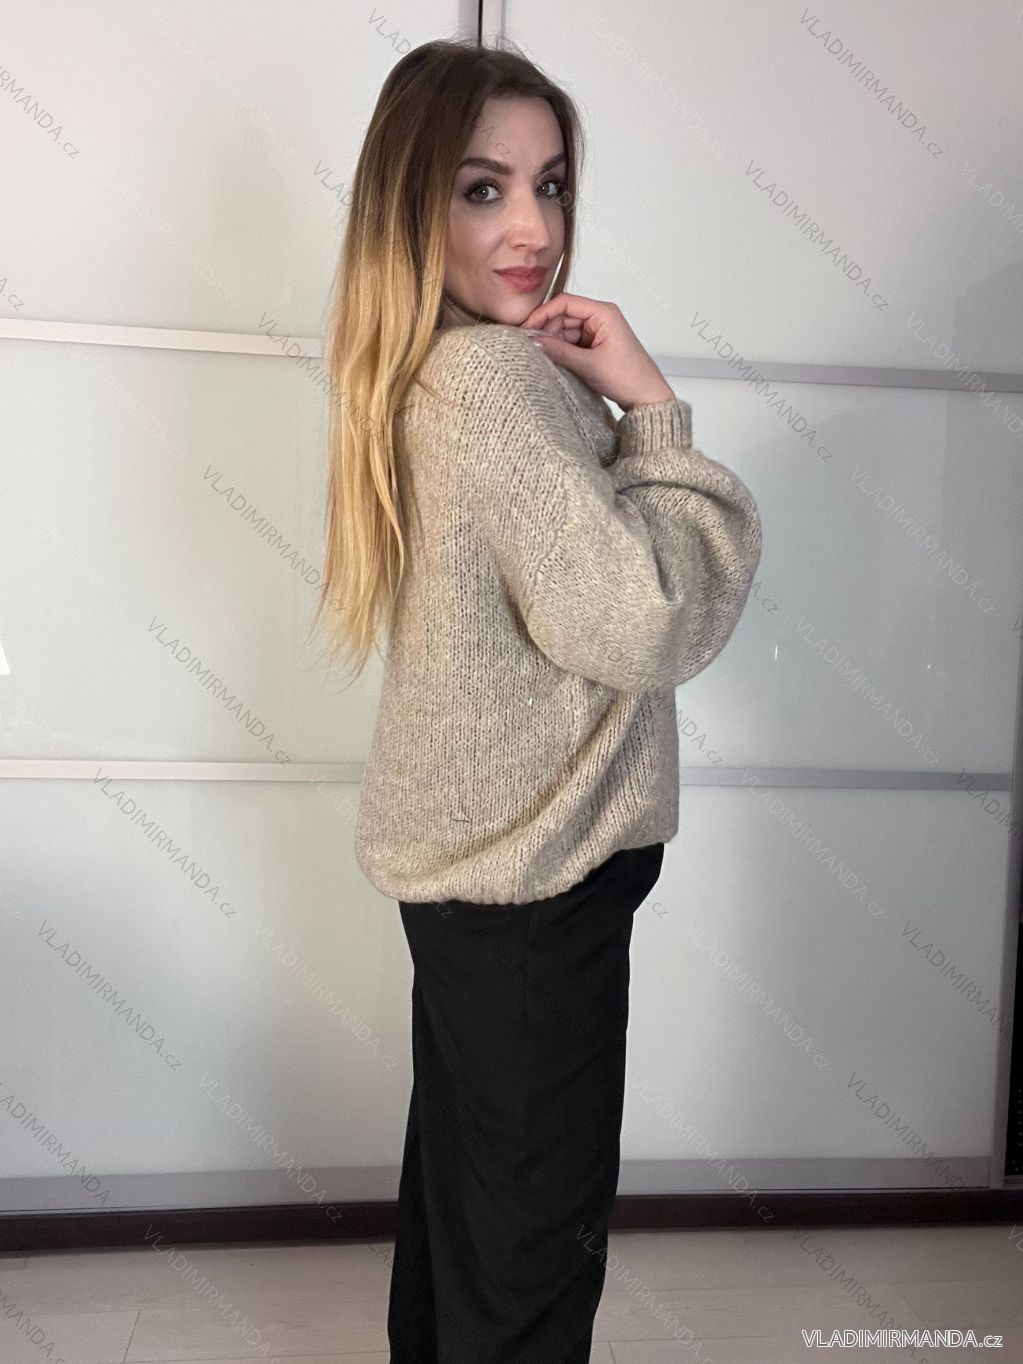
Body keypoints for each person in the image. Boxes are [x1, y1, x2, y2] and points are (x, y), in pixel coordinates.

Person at [313, 36, 763, 1364]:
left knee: (468, 1227)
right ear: (412, 205)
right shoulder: (496, 384)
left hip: (479, 885)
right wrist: (654, 410)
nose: (533, 229)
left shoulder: (436, 366)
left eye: (550, 185)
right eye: (483, 189)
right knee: (529, 1268)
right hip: (535, 887)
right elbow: (650, 618)